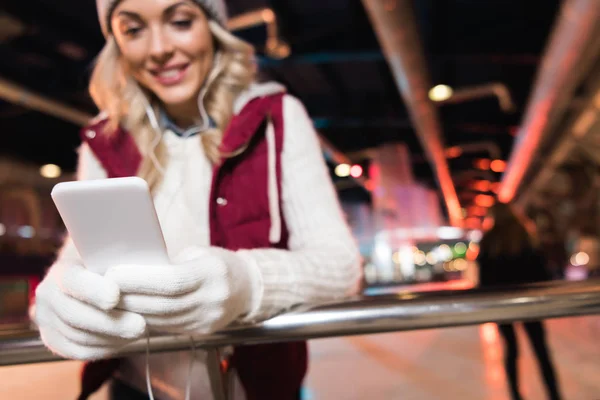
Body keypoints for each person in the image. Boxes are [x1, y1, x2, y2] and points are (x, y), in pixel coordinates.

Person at [32, 0, 362, 399]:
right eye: (133, 30)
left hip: (256, 388)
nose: (158, 49)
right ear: (116, 44)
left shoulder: (276, 117)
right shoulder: (103, 138)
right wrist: (57, 295)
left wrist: (244, 283)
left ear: (212, 26)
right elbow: (77, 256)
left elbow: (343, 267)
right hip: (137, 387)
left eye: (180, 21)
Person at [477, 202, 562, 400]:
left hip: (502, 306)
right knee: (541, 351)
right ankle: (555, 394)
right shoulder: (526, 235)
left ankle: (515, 395)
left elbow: (483, 280)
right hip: (530, 302)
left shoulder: (489, 240)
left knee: (511, 350)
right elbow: (543, 271)